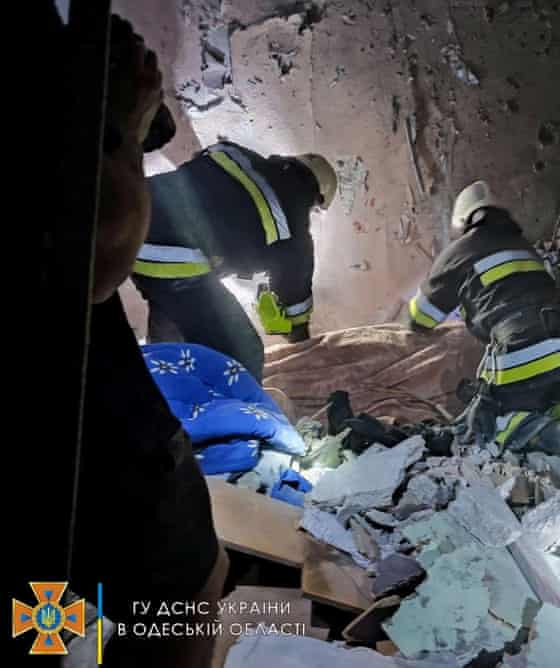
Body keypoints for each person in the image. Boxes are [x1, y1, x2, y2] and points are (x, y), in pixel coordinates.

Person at [70, 15, 228, 667]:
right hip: (94, 413)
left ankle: (55, 642)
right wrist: (122, 131)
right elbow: (100, 252)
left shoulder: (226, 168)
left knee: (49, 594)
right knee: (189, 592)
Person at [131, 140, 338, 381]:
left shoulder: (233, 152)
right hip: (174, 257)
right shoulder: (295, 236)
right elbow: (295, 307)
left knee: (174, 314)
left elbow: (216, 197)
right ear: (316, 198)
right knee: (245, 355)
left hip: (137, 206)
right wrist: (303, 348)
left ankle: (157, 379)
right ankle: (212, 410)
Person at [407, 180, 560, 445]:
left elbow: (420, 319)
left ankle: (552, 436)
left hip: (525, 353)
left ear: (463, 221)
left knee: (493, 426)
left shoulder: (459, 252)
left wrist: (421, 297)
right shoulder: (526, 248)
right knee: (548, 398)